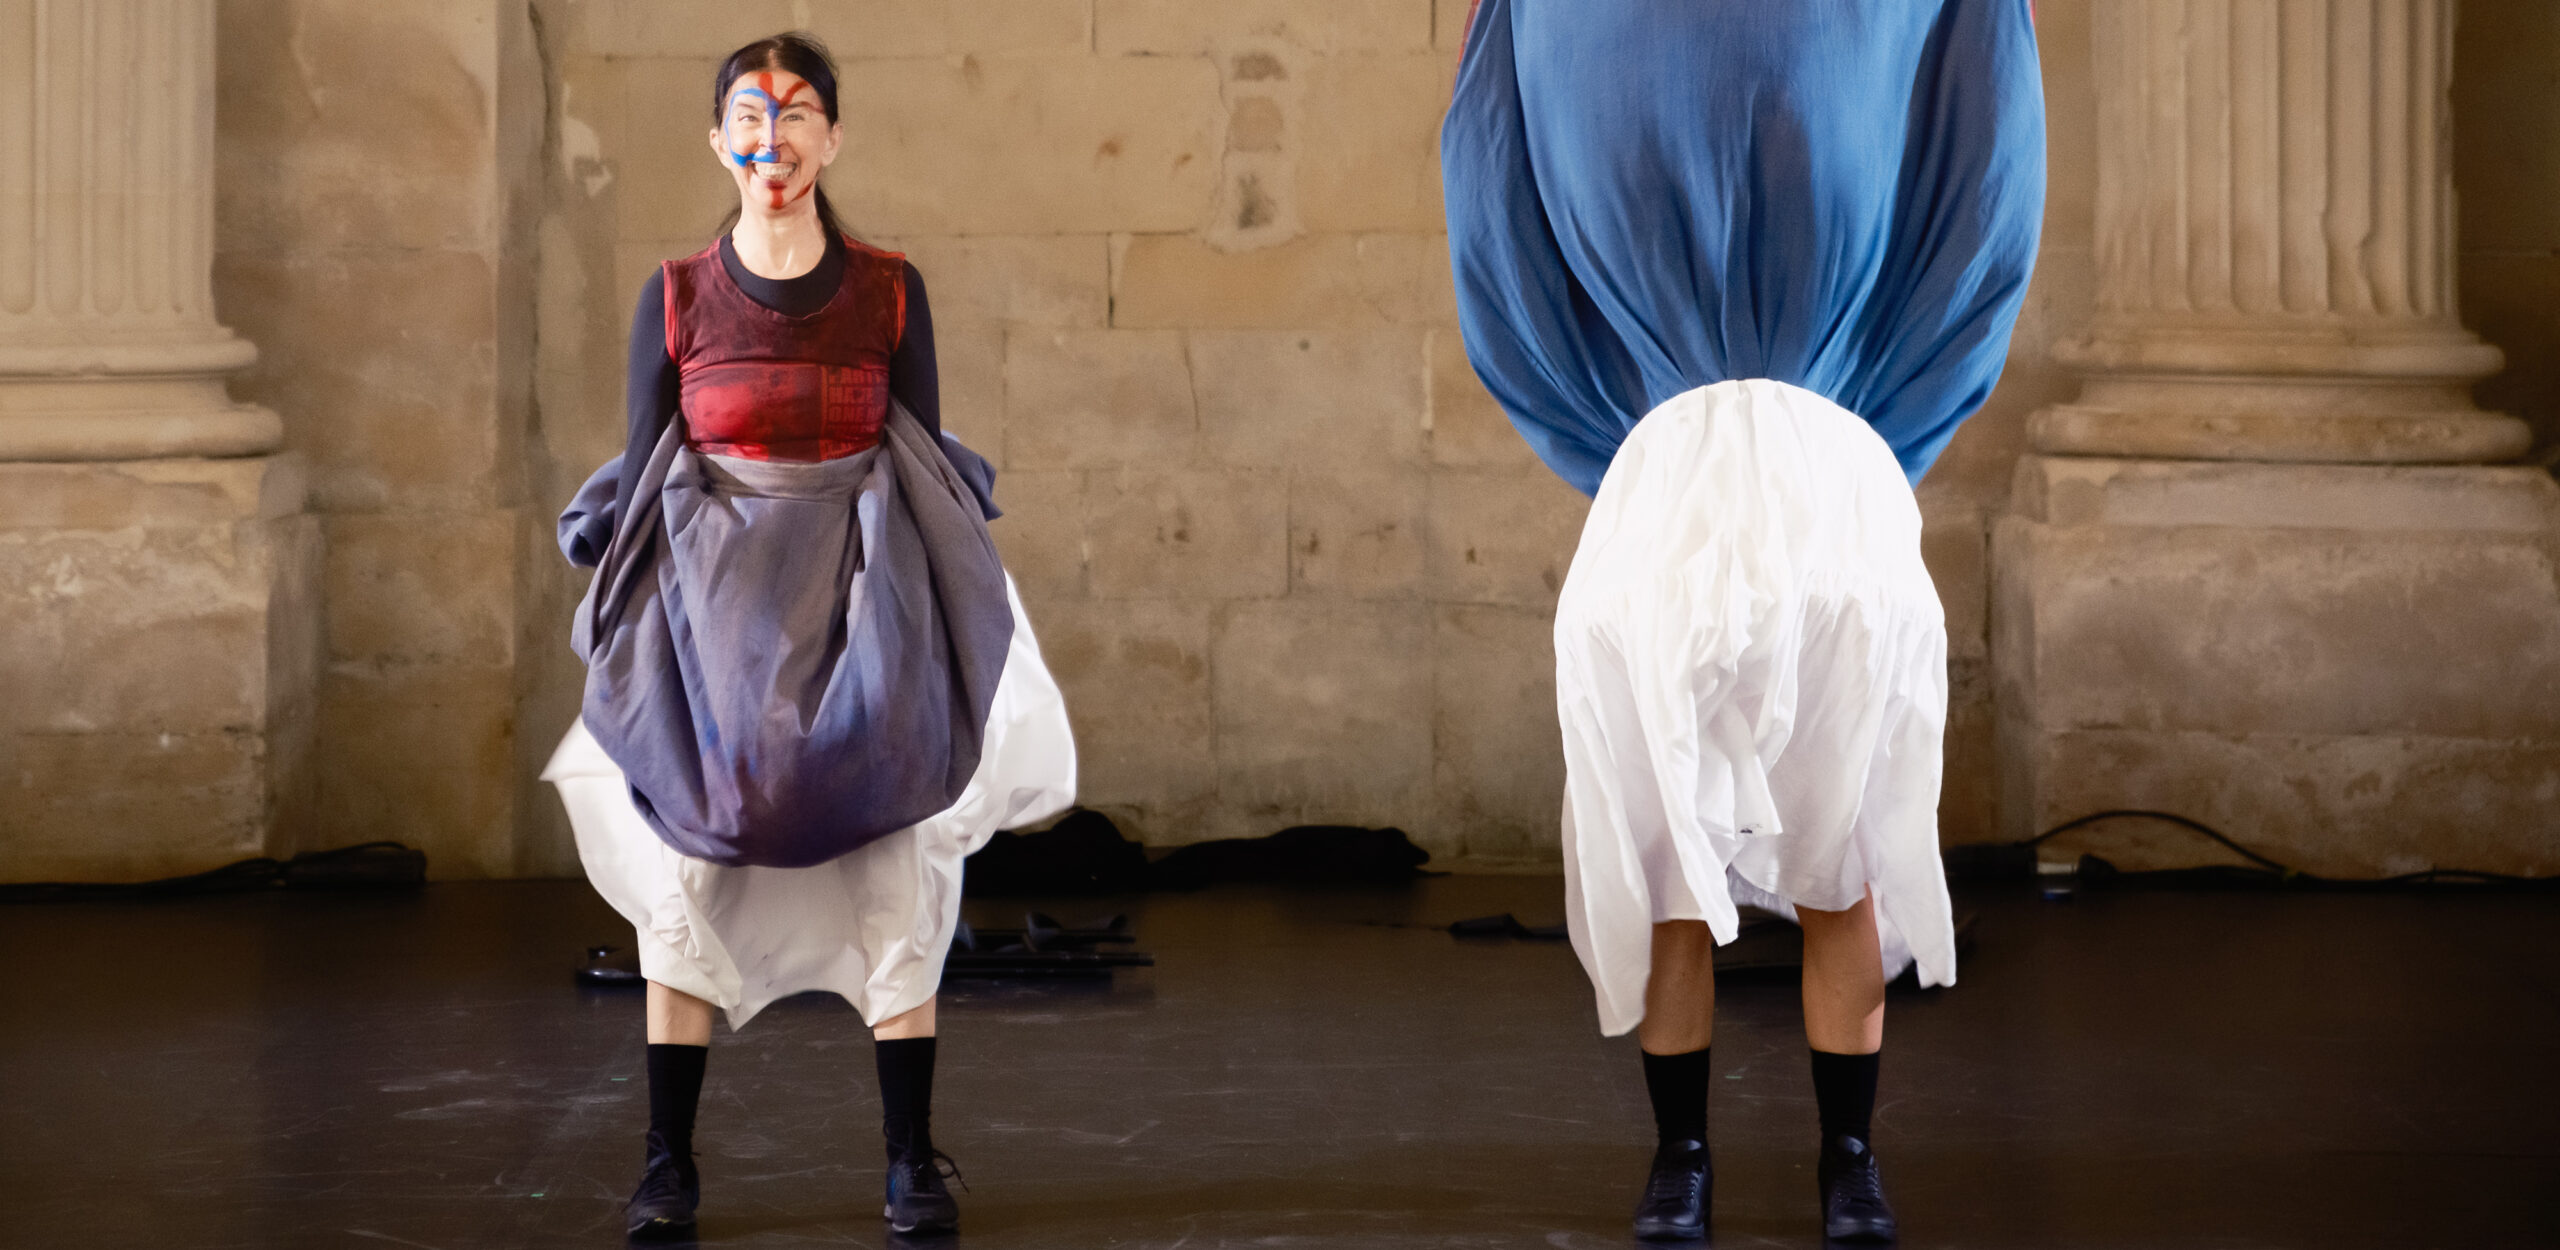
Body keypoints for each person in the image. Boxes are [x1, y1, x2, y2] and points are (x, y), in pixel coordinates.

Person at [1441, 0, 2045, 1242]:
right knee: (1671, 870)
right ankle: (1684, 1155)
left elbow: (1978, 176)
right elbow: (1498, 196)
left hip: (1811, 492)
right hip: (1677, 499)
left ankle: (1848, 1154)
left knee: (1841, 863)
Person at [543, 32, 1075, 1241]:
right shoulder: (675, 295)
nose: (769, 138)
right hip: (713, 616)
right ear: (717, 138)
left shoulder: (888, 288)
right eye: (746, 113)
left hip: (859, 597)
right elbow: (644, 470)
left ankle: (907, 1161)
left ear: (832, 137)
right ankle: (666, 1162)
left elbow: (927, 469)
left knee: (896, 865)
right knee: (684, 878)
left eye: (793, 116)